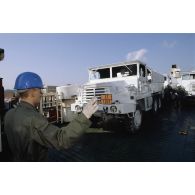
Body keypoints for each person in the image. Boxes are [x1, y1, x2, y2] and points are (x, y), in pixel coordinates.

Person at [4, 72, 98, 161]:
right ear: (32, 91)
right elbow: (61, 139)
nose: (41, 94)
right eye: (40, 90)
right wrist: (84, 115)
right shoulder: (34, 118)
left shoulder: (9, 114)